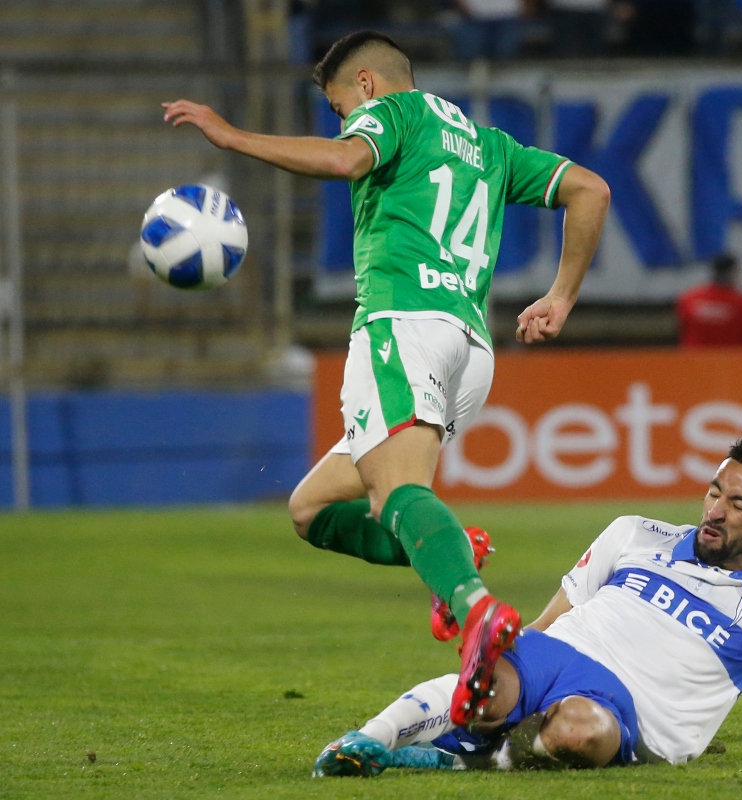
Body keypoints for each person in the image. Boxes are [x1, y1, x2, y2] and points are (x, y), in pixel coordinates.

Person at [162, 30, 611, 726]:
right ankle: (452, 556)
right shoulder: (488, 146)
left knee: (400, 490)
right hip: (469, 345)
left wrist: (231, 138)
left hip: (403, 325)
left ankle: (475, 607)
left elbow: (347, 158)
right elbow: (590, 187)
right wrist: (562, 296)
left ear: (366, 85)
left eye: (342, 106)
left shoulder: (394, 113)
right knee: (312, 510)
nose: (347, 121)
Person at [312, 436, 742, 775]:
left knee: (580, 734)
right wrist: (503, 655)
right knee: (497, 679)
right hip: (558, 655)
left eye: (738, 504)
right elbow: (549, 620)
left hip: (627, 708)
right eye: (715, 491)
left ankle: (458, 758)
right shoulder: (634, 534)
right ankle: (362, 743)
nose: (715, 510)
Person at [676, 253, 742, 348]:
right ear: (733, 272)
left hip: (694, 360)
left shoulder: (689, 299)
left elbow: (679, 331)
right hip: (733, 360)